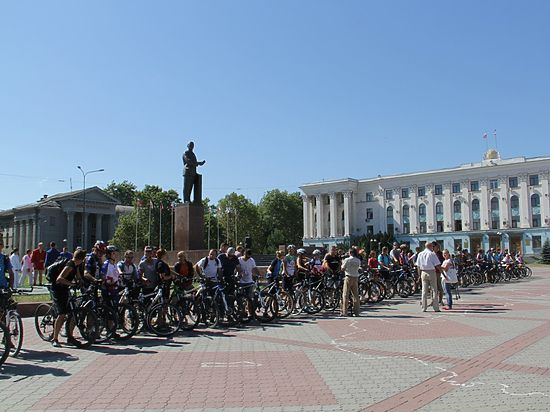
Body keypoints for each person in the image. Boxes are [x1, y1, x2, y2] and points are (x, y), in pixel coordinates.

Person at [51, 249, 87, 347]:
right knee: (62, 314)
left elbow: (78, 276)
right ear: (82, 259)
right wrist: (71, 284)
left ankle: (70, 337)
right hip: (57, 289)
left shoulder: (77, 265)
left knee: (73, 313)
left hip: (65, 288)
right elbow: (59, 279)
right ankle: (55, 339)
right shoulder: (69, 266)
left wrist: (80, 283)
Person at [416, 241, 442, 312]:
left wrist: (419, 275)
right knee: (434, 289)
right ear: (430, 246)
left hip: (423, 272)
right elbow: (437, 265)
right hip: (431, 271)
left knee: (424, 291)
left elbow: (418, 266)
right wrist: (442, 272)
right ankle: (436, 307)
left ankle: (424, 307)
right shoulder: (432, 254)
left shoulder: (420, 254)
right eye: (432, 246)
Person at [238, 249, 260, 316]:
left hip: (249, 281)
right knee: (240, 298)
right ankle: (242, 311)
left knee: (249, 298)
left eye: (249, 256)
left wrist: (259, 274)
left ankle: (250, 313)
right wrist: (239, 273)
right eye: (247, 256)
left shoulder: (251, 260)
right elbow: (237, 268)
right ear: (244, 254)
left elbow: (254, 268)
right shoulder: (239, 260)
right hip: (241, 281)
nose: (248, 258)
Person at [341, 248, 361, 317]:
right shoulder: (358, 260)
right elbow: (358, 268)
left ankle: (345, 312)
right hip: (355, 277)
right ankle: (357, 312)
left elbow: (343, 268)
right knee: (355, 295)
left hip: (348, 276)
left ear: (350, 253)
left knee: (345, 294)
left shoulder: (347, 260)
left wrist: (342, 264)